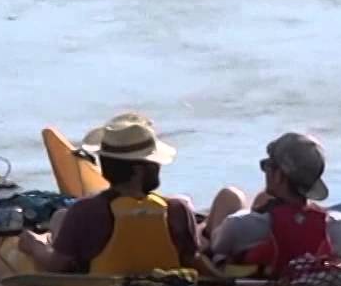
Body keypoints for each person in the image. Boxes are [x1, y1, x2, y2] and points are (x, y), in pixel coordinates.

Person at [19, 114, 211, 275]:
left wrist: (34, 245)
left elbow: (56, 266)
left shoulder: (84, 212)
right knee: (61, 217)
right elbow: (193, 261)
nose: (159, 167)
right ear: (138, 171)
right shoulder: (178, 210)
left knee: (60, 217)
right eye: (155, 163)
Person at [205, 131, 341, 274]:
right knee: (262, 198)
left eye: (267, 165)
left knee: (228, 197)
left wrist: (199, 231)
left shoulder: (240, 225)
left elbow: (212, 251)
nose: (265, 171)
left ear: (278, 176)